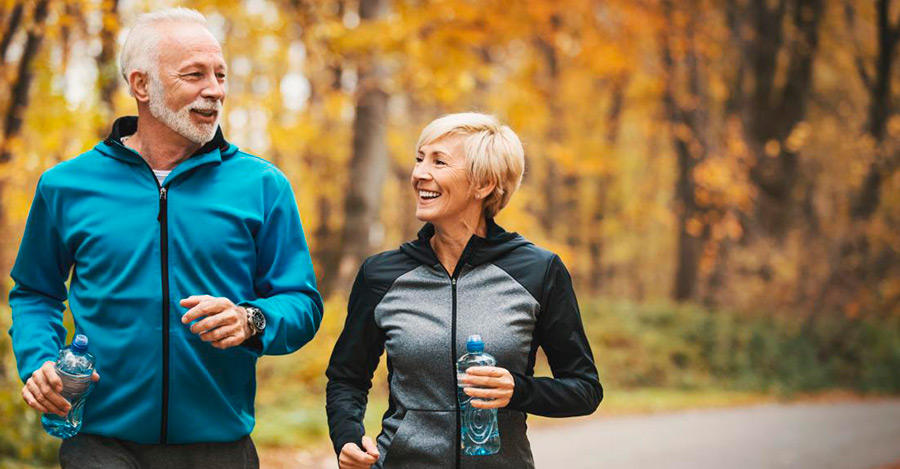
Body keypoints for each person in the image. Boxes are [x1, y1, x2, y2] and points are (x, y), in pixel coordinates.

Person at [8, 7, 323, 468]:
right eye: (194, 75)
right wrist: (40, 361)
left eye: (219, 74)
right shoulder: (67, 185)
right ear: (141, 86)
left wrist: (251, 319)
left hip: (220, 446)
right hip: (100, 443)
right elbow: (35, 292)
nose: (214, 89)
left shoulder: (262, 185)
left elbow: (301, 301)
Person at [325, 112, 602, 468]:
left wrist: (519, 390)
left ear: (483, 184)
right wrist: (347, 437)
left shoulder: (538, 271)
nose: (419, 173)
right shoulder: (381, 274)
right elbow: (347, 378)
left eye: (439, 161)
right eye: (419, 158)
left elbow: (585, 389)